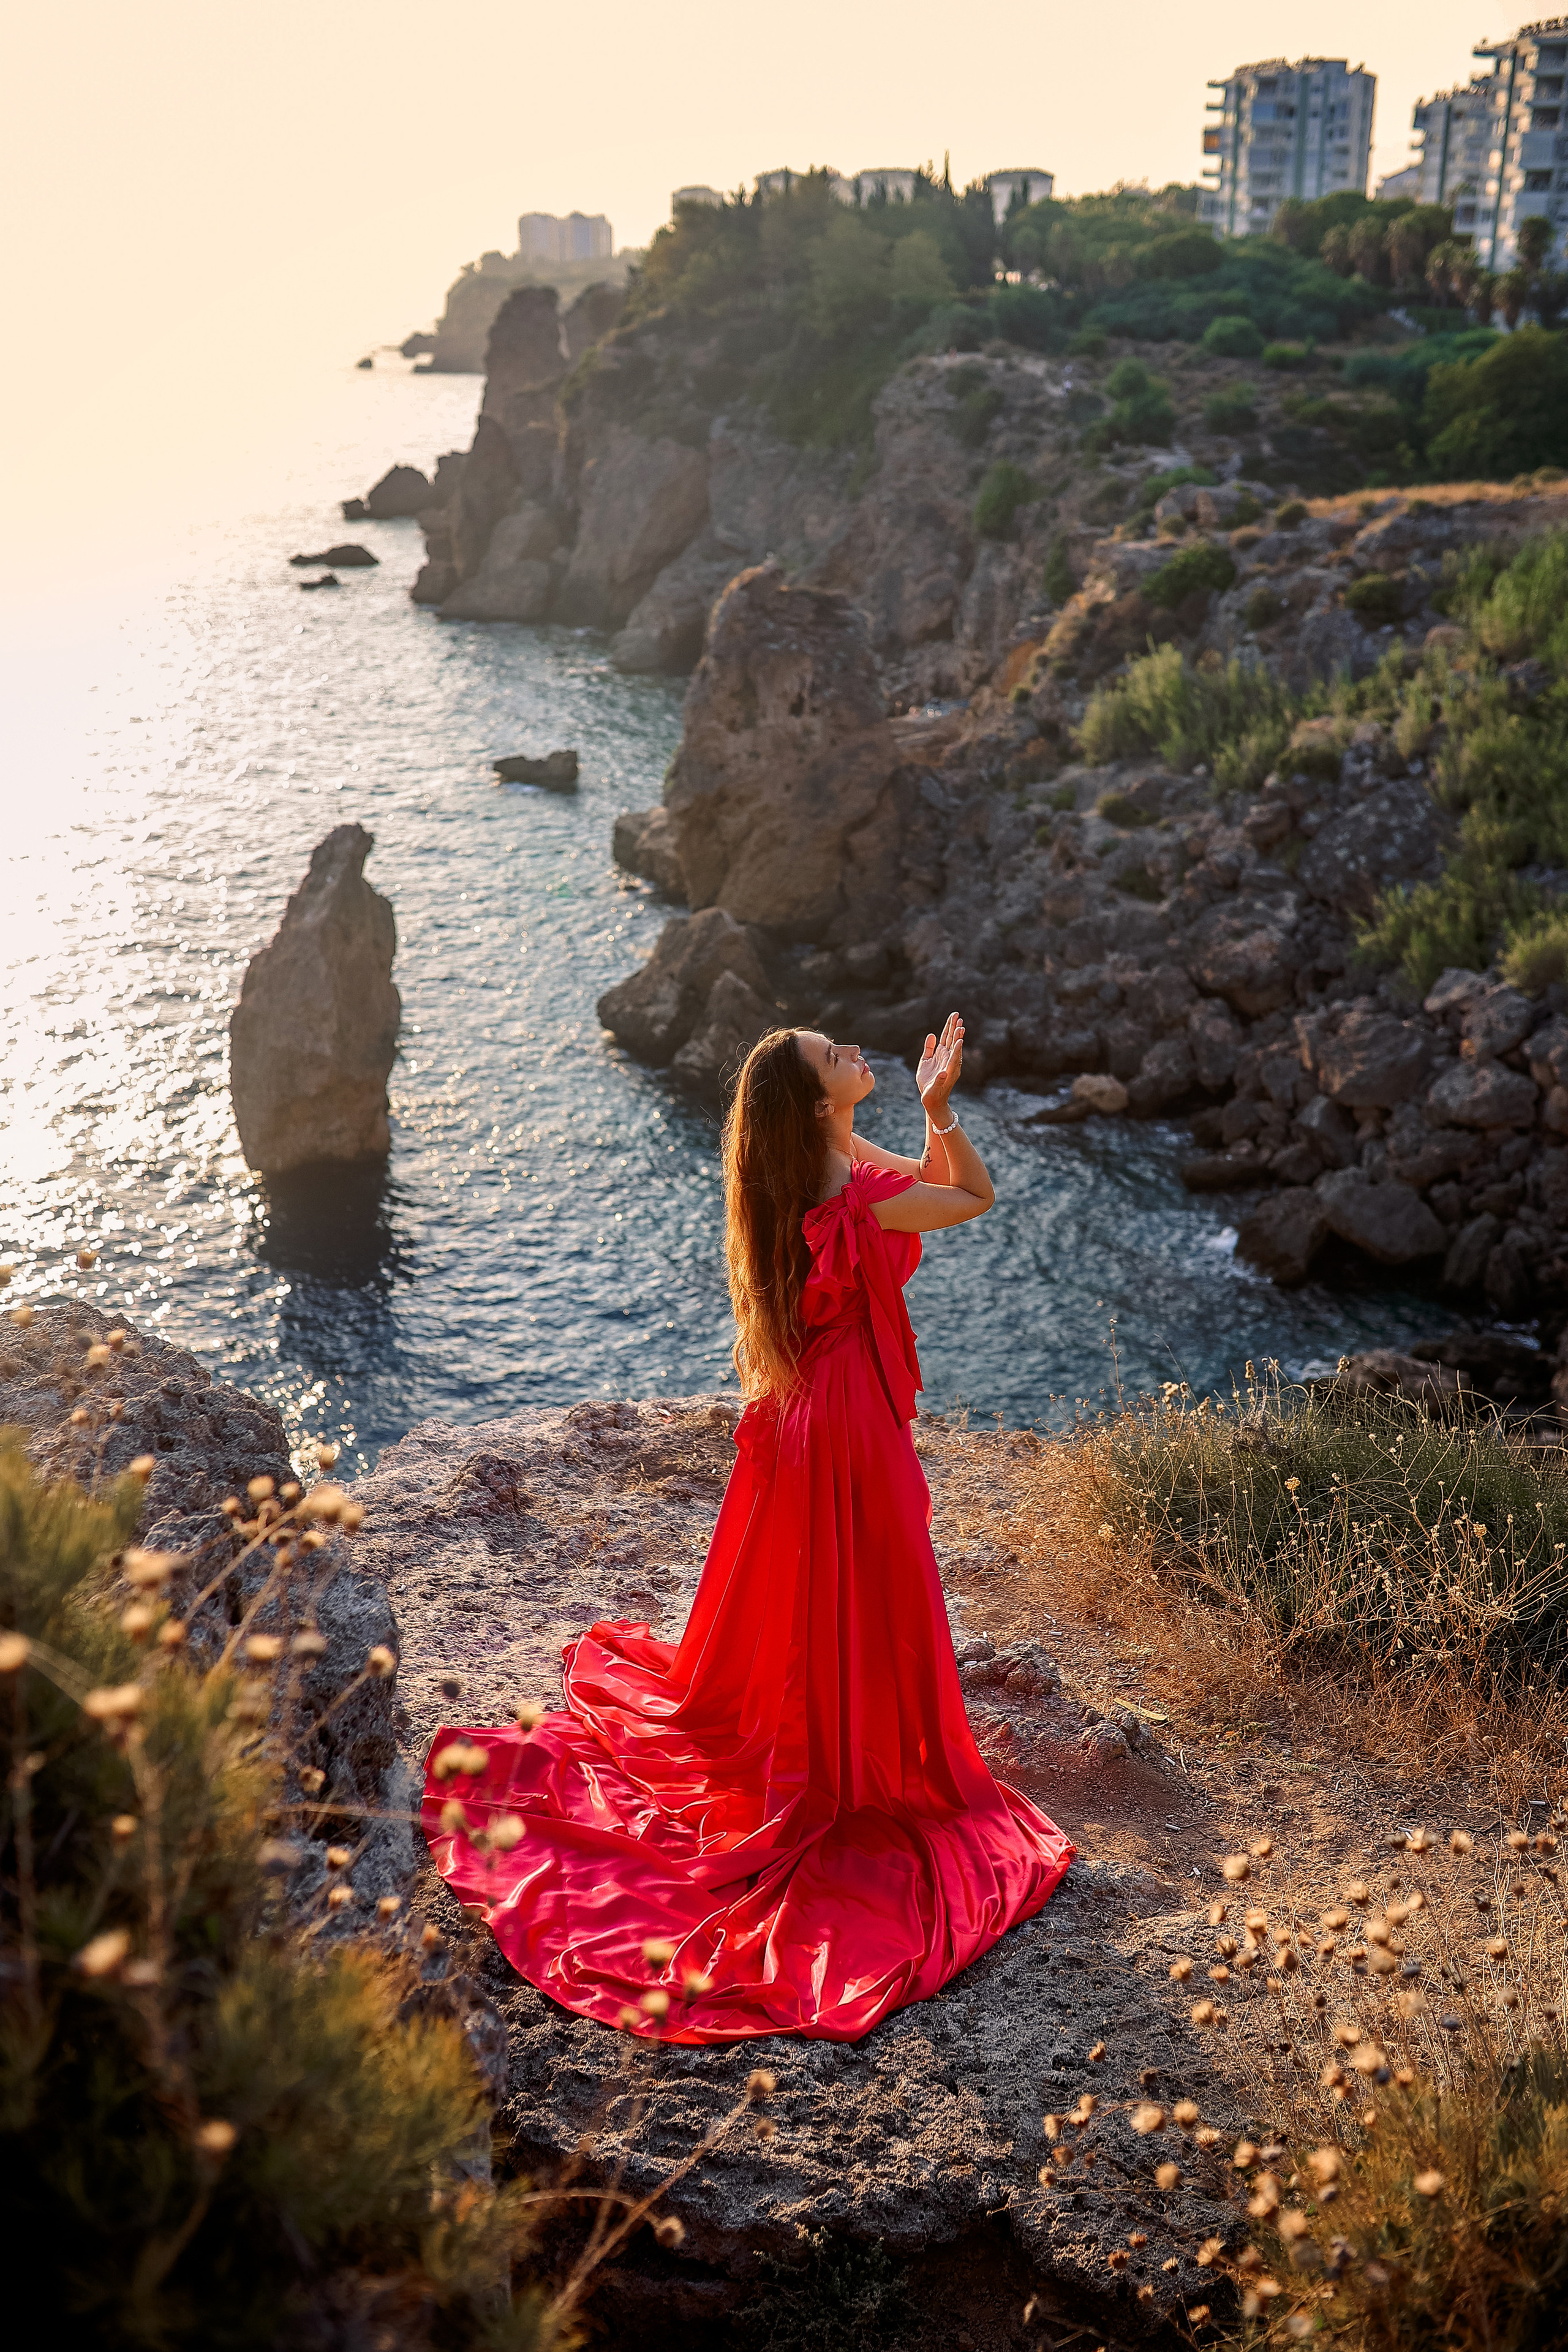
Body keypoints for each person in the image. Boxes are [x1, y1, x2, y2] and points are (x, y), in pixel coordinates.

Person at [422, 1016, 1073, 2042]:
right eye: (834, 1057)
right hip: (852, 1423)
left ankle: (830, 1744)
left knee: (817, 1598)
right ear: (819, 1102)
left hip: (805, 1411)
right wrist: (942, 1109)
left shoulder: (815, 1167)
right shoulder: (850, 1187)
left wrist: (924, 1119)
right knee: (878, 1584)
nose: (855, 1051)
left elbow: (922, 1183)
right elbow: (971, 1196)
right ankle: (862, 1763)